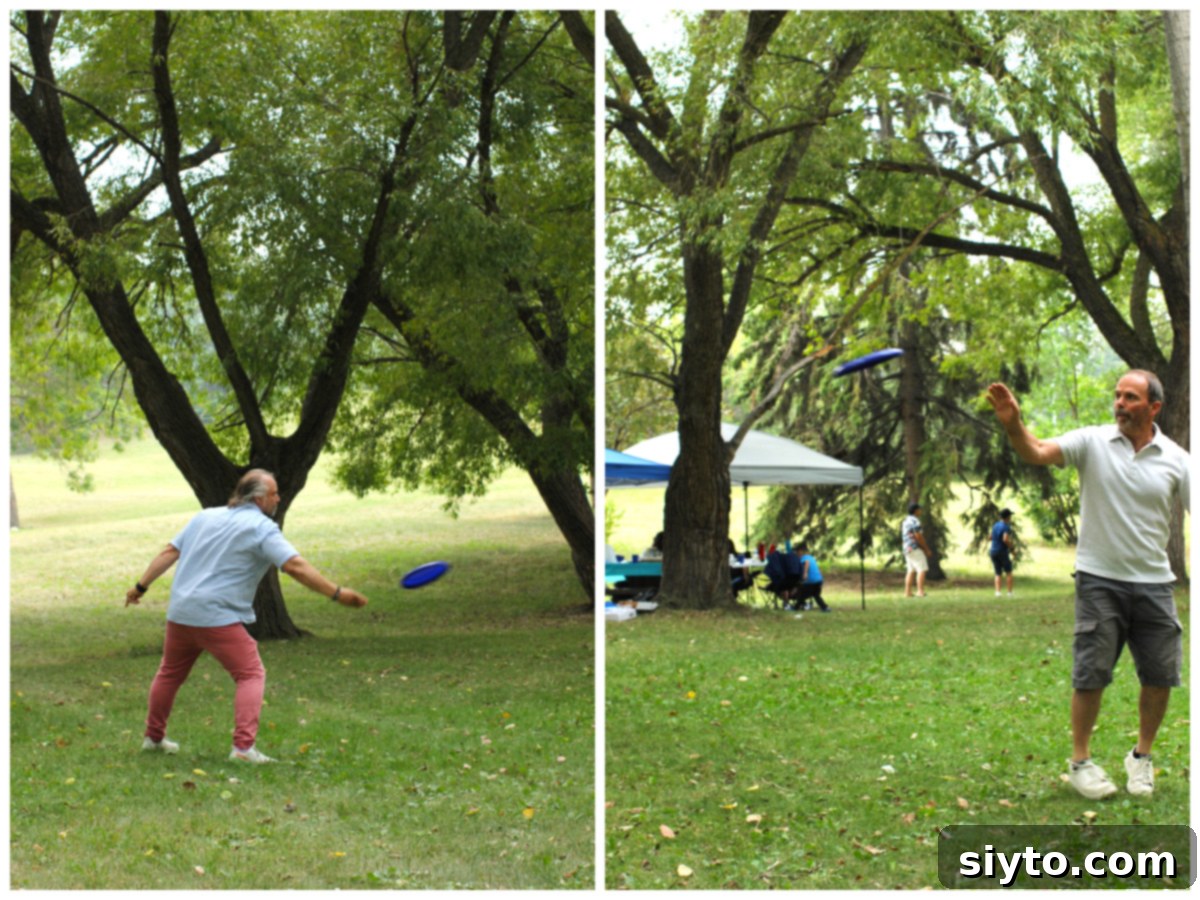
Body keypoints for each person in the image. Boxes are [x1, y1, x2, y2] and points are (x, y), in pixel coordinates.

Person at [987, 371, 1189, 800]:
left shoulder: (1176, 458)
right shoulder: (1093, 442)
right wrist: (1013, 425)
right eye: (1117, 395)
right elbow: (1037, 451)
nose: (1119, 403)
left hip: (1154, 583)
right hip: (1100, 579)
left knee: (1160, 674)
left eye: (1130, 397)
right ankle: (1081, 762)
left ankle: (1141, 758)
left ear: (1153, 407)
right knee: (1091, 672)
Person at [126, 469, 368, 764]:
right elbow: (294, 566)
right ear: (258, 498)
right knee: (250, 673)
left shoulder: (205, 517)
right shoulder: (261, 528)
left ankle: (153, 739)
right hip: (216, 615)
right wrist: (336, 593)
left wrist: (140, 587)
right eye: (274, 494)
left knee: (170, 673)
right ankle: (242, 749)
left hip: (181, 612)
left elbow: (169, 551)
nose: (278, 498)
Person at [901, 502, 934, 597]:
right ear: (916, 511)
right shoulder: (915, 521)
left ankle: (907, 592)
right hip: (915, 547)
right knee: (922, 568)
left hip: (907, 548)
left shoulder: (906, 521)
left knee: (910, 570)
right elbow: (918, 535)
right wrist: (926, 548)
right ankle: (920, 591)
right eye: (920, 509)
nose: (921, 511)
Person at [792, 542, 830, 612]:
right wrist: (821, 577)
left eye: (797, 552)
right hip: (818, 580)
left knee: (801, 594)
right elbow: (817, 568)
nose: (796, 554)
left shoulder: (804, 558)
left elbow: (807, 563)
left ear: (801, 551)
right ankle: (825, 608)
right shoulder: (811, 557)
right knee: (816, 595)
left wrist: (805, 573)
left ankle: (795, 608)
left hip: (811, 580)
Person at [989, 508, 1016, 596]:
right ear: (1007, 517)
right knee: (1008, 571)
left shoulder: (995, 525)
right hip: (1002, 551)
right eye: (1010, 516)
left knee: (997, 572)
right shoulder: (1005, 527)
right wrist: (1011, 548)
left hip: (993, 551)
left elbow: (990, 537)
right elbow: (1005, 539)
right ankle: (1009, 593)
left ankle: (998, 592)